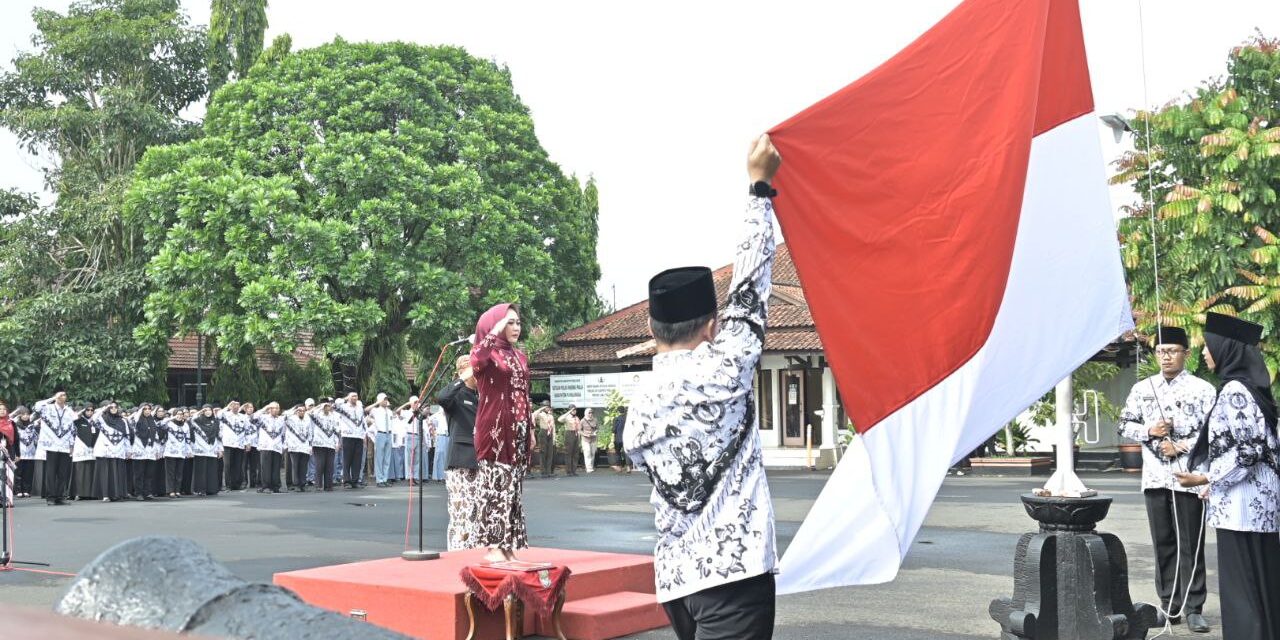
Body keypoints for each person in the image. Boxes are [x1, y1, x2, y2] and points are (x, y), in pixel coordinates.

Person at [624, 134, 781, 640]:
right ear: (711, 327)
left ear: (652, 331)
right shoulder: (725, 371)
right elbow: (751, 288)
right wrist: (759, 189)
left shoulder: (639, 407)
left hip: (676, 580)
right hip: (733, 572)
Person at [1176, 312, 1280, 640]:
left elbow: (1248, 453)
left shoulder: (1235, 389)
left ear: (1226, 349)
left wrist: (1206, 480)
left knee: (1243, 593)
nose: (1205, 353)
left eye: (1208, 347)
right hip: (1258, 505)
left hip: (1243, 508)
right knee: (1262, 589)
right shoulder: (1254, 388)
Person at [1115, 325, 1214, 631]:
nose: (1166, 357)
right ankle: (1169, 604)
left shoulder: (1203, 389)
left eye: (1172, 351)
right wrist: (1150, 432)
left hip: (1189, 476)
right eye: (1160, 351)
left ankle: (1194, 606)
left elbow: (1213, 431)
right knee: (1163, 543)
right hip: (1156, 477)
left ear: (1186, 353)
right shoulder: (1143, 389)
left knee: (1191, 543)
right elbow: (1123, 425)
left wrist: (1181, 444)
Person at [470, 303, 534, 562]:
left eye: (518, 322)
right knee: (496, 486)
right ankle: (493, 545)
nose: (516, 327)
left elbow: (524, 394)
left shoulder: (519, 356)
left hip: (518, 428)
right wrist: (493, 330)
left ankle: (508, 544)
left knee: (513, 488)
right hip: (496, 429)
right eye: (509, 322)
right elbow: (476, 359)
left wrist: (529, 426)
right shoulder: (487, 355)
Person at [439, 354, 480, 550]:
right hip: (461, 459)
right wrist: (464, 376)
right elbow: (441, 397)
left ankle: (474, 548)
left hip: (481, 459)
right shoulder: (456, 395)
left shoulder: (481, 396)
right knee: (460, 508)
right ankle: (457, 550)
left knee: (477, 509)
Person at [34, 388, 79, 506]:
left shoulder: (69, 411)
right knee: (51, 472)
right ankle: (51, 497)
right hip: (51, 445)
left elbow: (71, 429)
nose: (62, 397)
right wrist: (53, 398)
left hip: (64, 445)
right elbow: (37, 406)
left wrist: (71, 445)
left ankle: (60, 496)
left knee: (63, 473)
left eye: (64, 395)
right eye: (60, 395)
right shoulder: (47, 408)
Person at [91, 402, 132, 502]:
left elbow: (126, 436)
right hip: (105, 450)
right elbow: (93, 419)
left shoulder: (123, 420)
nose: (113, 409)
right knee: (106, 473)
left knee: (117, 472)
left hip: (119, 449)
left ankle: (116, 494)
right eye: (111, 407)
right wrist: (102, 409)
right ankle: (105, 495)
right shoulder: (102, 419)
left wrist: (128, 450)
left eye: (115, 407)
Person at [129, 404, 160, 501]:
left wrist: (157, 450)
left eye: (149, 409)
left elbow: (156, 436)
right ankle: (139, 493)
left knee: (149, 473)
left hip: (150, 450)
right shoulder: (137, 419)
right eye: (144, 409)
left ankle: (147, 492)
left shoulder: (152, 420)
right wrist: (141, 409)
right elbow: (137, 416)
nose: (147, 411)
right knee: (139, 473)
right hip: (139, 450)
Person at [253, 402, 286, 493]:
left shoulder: (281, 419)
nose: (275, 410)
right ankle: (266, 486)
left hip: (277, 446)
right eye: (273, 408)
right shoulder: (263, 417)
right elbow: (253, 417)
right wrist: (266, 407)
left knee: (276, 468)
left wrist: (283, 446)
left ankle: (275, 486)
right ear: (270, 409)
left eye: (277, 408)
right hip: (266, 446)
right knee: (266, 467)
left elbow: (283, 433)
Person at [308, 398, 340, 492]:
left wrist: (337, 443)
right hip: (319, 443)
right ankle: (318, 485)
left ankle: (328, 485)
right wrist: (319, 406)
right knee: (319, 465)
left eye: (328, 406)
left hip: (330, 443)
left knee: (330, 465)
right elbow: (309, 413)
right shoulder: (317, 415)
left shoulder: (333, 416)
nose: (327, 408)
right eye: (325, 406)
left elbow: (337, 430)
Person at [190, 405, 222, 497]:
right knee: (201, 471)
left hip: (212, 449)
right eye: (205, 410)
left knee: (211, 470)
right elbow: (191, 419)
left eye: (209, 410)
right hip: (200, 449)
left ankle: (211, 489)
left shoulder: (215, 422)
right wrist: (199, 412)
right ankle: (200, 490)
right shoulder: (197, 421)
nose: (208, 412)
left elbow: (218, 436)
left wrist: (220, 449)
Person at [335, 392, 365, 489]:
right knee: (347, 459)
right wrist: (345, 398)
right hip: (347, 435)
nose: (355, 398)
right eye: (352, 396)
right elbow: (334, 406)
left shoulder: (360, 408)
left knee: (357, 460)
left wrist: (364, 436)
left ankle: (355, 481)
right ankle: (346, 481)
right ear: (348, 397)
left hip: (358, 436)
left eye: (356, 396)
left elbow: (363, 422)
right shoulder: (344, 407)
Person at [366, 393, 396, 488]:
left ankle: (385, 478)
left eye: (386, 399)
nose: (386, 400)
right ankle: (379, 480)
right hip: (380, 434)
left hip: (389, 434)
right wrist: (377, 403)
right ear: (379, 400)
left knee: (387, 458)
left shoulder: (390, 411)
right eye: (384, 399)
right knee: (379, 458)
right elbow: (366, 410)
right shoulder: (375, 410)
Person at [161, 408, 191, 498]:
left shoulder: (185, 425)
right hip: (170, 451)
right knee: (171, 472)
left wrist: (188, 450)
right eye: (177, 414)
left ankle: (177, 490)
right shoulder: (169, 423)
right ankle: (170, 490)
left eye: (181, 414)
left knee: (179, 472)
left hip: (181, 451)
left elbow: (188, 439)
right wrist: (171, 418)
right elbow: (160, 424)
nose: (179, 416)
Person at [220, 400, 249, 490]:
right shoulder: (226, 415)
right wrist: (227, 407)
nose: (235, 406)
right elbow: (218, 415)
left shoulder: (243, 417)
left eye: (237, 405)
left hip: (239, 444)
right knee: (228, 465)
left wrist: (247, 442)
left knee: (238, 465)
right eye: (233, 405)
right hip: (228, 444)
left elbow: (247, 430)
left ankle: (236, 484)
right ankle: (228, 485)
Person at [71, 404, 97, 500]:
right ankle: (79, 493)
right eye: (87, 410)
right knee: (80, 472)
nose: (90, 412)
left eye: (91, 410)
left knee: (91, 471)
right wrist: (80, 412)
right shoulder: (78, 421)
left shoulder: (95, 421)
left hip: (93, 449)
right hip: (80, 448)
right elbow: (72, 419)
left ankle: (92, 493)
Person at [284, 404, 313, 492]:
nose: (301, 412)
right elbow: (285, 414)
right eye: (299, 410)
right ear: (296, 411)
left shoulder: (307, 420)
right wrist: (294, 409)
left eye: (303, 411)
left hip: (304, 446)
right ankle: (296, 484)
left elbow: (310, 433)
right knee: (295, 466)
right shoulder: (291, 419)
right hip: (294, 446)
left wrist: (310, 445)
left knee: (303, 466)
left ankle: (302, 484)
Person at [13, 406, 36, 498]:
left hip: (31, 452)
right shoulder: (15, 424)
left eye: (27, 414)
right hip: (20, 451)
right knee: (18, 471)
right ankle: (18, 490)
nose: (26, 416)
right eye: (23, 414)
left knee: (28, 472)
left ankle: (26, 490)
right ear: (20, 415)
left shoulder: (32, 425)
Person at [532, 402, 556, 478]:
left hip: (550, 433)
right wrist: (541, 408)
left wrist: (554, 437)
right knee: (543, 452)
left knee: (550, 453)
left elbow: (553, 426)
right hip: (543, 432)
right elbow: (534, 415)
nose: (548, 408)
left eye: (548, 406)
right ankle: (543, 471)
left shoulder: (551, 416)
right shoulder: (541, 414)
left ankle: (548, 471)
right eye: (546, 406)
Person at [559, 405, 580, 477]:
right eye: (572, 410)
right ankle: (568, 471)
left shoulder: (577, 418)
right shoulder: (567, 417)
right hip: (569, 433)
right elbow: (559, 419)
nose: (574, 411)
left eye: (575, 410)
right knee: (569, 453)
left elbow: (579, 427)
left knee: (576, 453)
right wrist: (568, 412)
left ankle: (574, 470)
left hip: (576, 434)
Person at [612, 405, 631, 473]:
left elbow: (614, 430)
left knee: (617, 453)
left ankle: (619, 468)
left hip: (618, 439)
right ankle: (628, 467)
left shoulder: (616, 419)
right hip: (627, 438)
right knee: (627, 452)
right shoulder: (628, 419)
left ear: (618, 411)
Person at [580, 408, 599, 474]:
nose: (590, 414)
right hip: (585, 439)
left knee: (592, 453)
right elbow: (579, 430)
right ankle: (589, 468)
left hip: (593, 439)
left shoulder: (595, 420)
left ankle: (591, 466)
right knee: (587, 453)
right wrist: (585, 434)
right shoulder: (582, 420)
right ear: (586, 413)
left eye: (591, 413)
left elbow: (597, 428)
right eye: (589, 413)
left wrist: (595, 432)